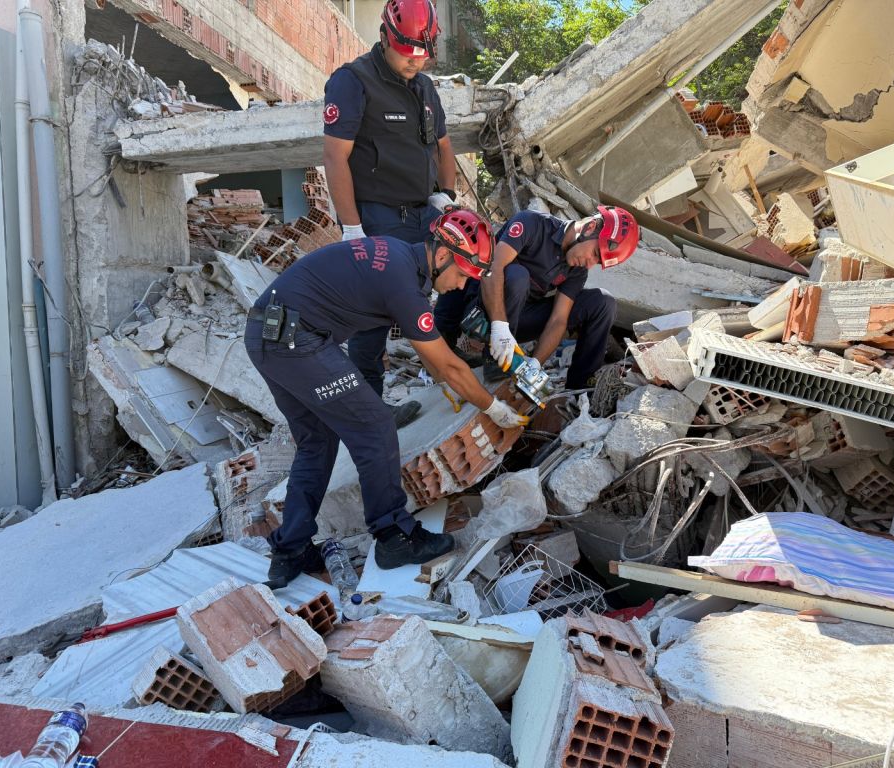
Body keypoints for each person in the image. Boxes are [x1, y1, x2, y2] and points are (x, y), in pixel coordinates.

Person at [244, 209, 528, 587]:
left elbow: (367, 328)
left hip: (266, 333)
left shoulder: (395, 255)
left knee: (318, 440)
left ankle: (290, 550)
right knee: (375, 425)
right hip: (297, 339)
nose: (462, 286)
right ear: (442, 255)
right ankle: (394, 536)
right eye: (462, 273)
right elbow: (449, 367)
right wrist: (493, 407)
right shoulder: (403, 283)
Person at [322, 0, 458, 426]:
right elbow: (334, 157)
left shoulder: (425, 87)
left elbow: (444, 146)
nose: (415, 63)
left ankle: (457, 366)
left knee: (459, 277)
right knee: (374, 318)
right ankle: (370, 412)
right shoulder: (353, 82)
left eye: (422, 56)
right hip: (379, 216)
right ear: (385, 37)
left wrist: (446, 196)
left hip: (424, 212)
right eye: (407, 55)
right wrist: (351, 228)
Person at [435, 206, 640, 390]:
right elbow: (492, 269)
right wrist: (499, 326)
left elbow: (559, 320)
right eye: (595, 253)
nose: (589, 263)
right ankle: (492, 359)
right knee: (517, 276)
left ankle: (579, 388)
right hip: (483, 310)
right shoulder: (532, 224)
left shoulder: (576, 270)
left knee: (603, 302)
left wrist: (535, 365)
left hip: (517, 322)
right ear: (590, 228)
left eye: (597, 262)